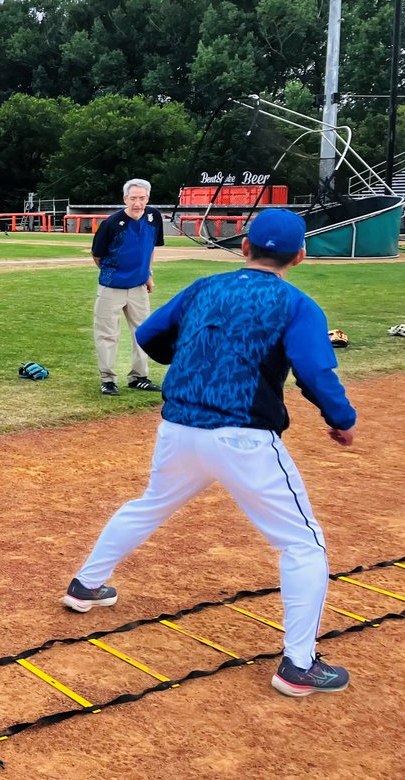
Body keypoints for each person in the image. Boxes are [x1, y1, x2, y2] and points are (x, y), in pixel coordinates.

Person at [62, 208, 357, 698]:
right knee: (303, 545)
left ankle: (87, 585)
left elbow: (149, 335)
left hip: (179, 429)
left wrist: (194, 359)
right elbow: (315, 371)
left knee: (150, 504)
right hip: (243, 439)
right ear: (299, 256)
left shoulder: (205, 287)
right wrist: (341, 421)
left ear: (244, 247)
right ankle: (297, 666)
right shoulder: (297, 303)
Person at [91, 178, 164, 396]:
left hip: (139, 286)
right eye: (133, 198)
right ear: (125, 199)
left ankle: (139, 377)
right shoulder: (111, 224)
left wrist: (148, 274)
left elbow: (150, 248)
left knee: (142, 332)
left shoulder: (154, 217)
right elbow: (97, 255)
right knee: (107, 334)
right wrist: (113, 273)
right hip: (111, 287)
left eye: (142, 198)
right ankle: (108, 380)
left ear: (148, 198)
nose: (138, 203)